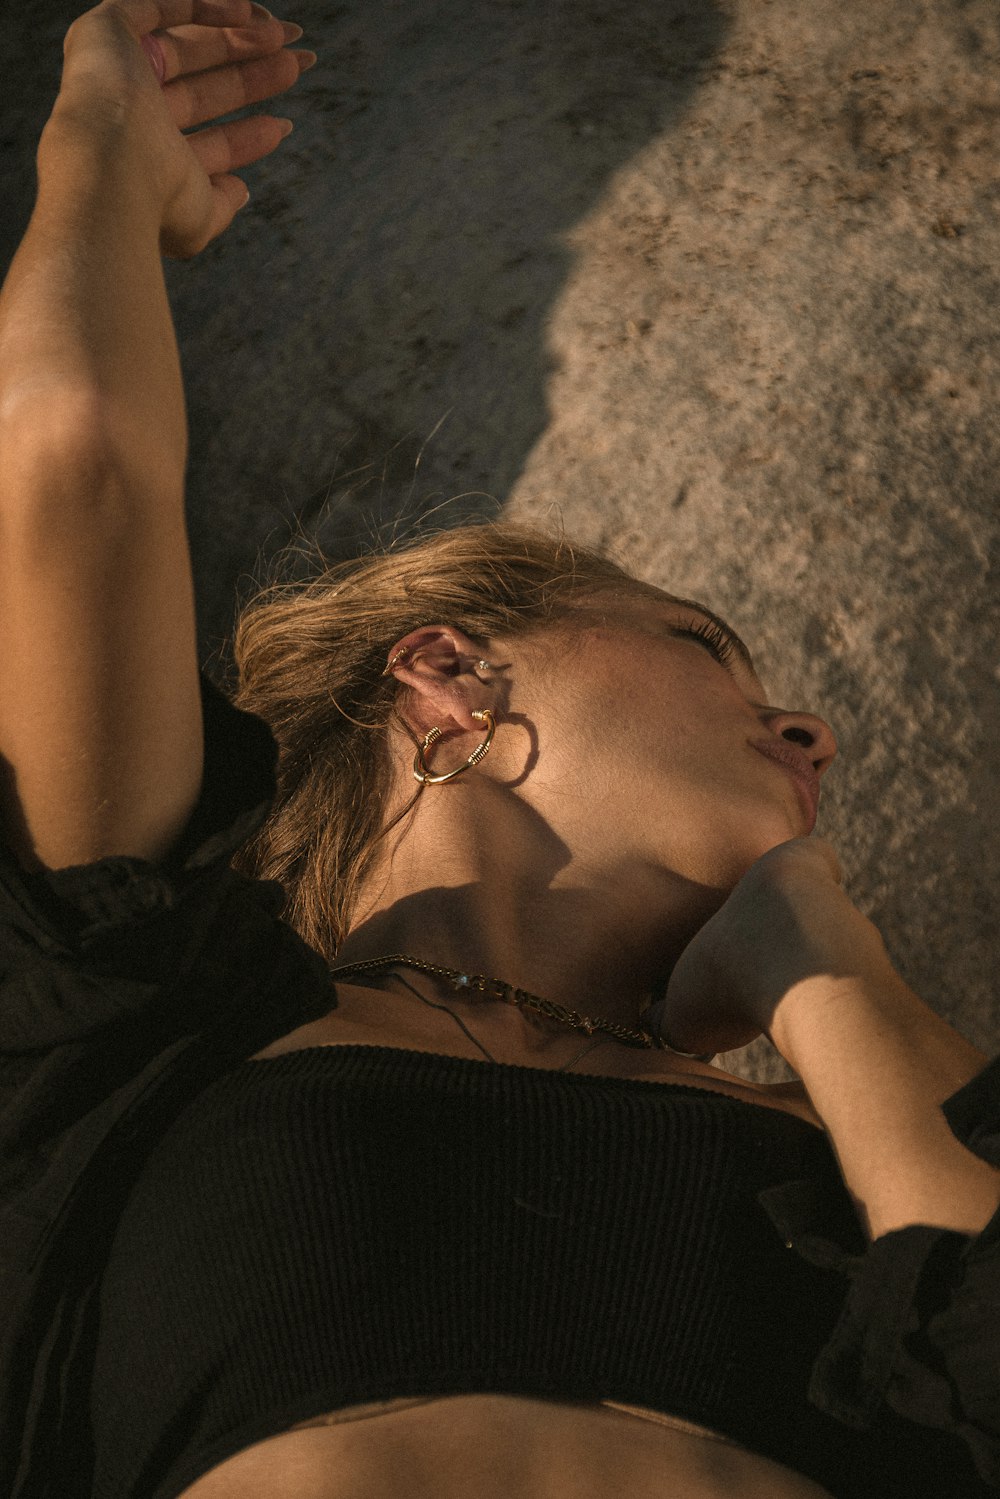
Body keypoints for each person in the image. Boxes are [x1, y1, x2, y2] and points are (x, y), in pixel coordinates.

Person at [0, 4, 997, 1497]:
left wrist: (822, 960)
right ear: (451, 673)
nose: (812, 728)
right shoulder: (161, 1026)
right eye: (707, 643)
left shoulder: (852, 1128)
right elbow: (75, 451)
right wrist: (100, 147)